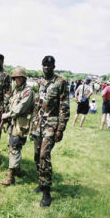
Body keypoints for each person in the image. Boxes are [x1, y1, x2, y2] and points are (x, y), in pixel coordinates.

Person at [31, 56, 70, 207]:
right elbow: (37, 104)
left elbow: (64, 107)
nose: (46, 67)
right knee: (36, 156)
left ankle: (47, 192)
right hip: (38, 125)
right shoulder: (41, 82)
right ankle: (41, 183)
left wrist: (60, 129)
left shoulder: (60, 82)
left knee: (44, 156)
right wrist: (32, 124)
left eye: (49, 65)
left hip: (51, 125)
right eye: (44, 65)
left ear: (54, 66)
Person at [0, 67, 35, 186]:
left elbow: (21, 107)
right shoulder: (16, 91)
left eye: (19, 77)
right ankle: (17, 170)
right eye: (15, 78)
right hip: (12, 123)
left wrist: (7, 115)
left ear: (24, 78)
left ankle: (11, 177)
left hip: (20, 124)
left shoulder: (28, 91)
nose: (17, 80)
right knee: (12, 146)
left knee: (15, 148)